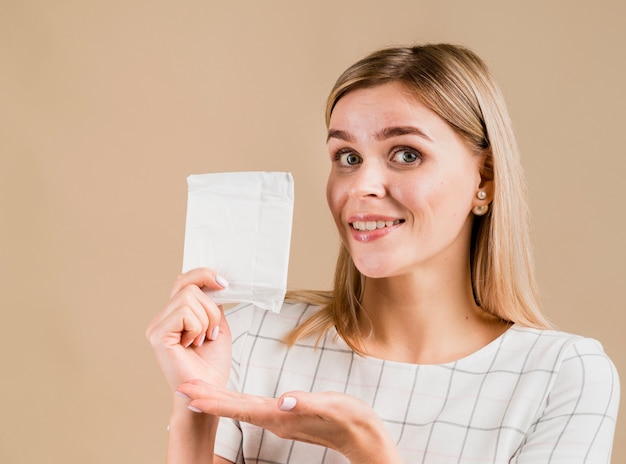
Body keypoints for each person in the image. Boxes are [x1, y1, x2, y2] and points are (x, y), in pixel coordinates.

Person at [146, 44, 620, 463]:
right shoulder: (247, 340)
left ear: (486, 179)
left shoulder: (562, 377)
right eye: (347, 158)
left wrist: (369, 453)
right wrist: (197, 403)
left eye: (406, 154)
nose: (362, 187)